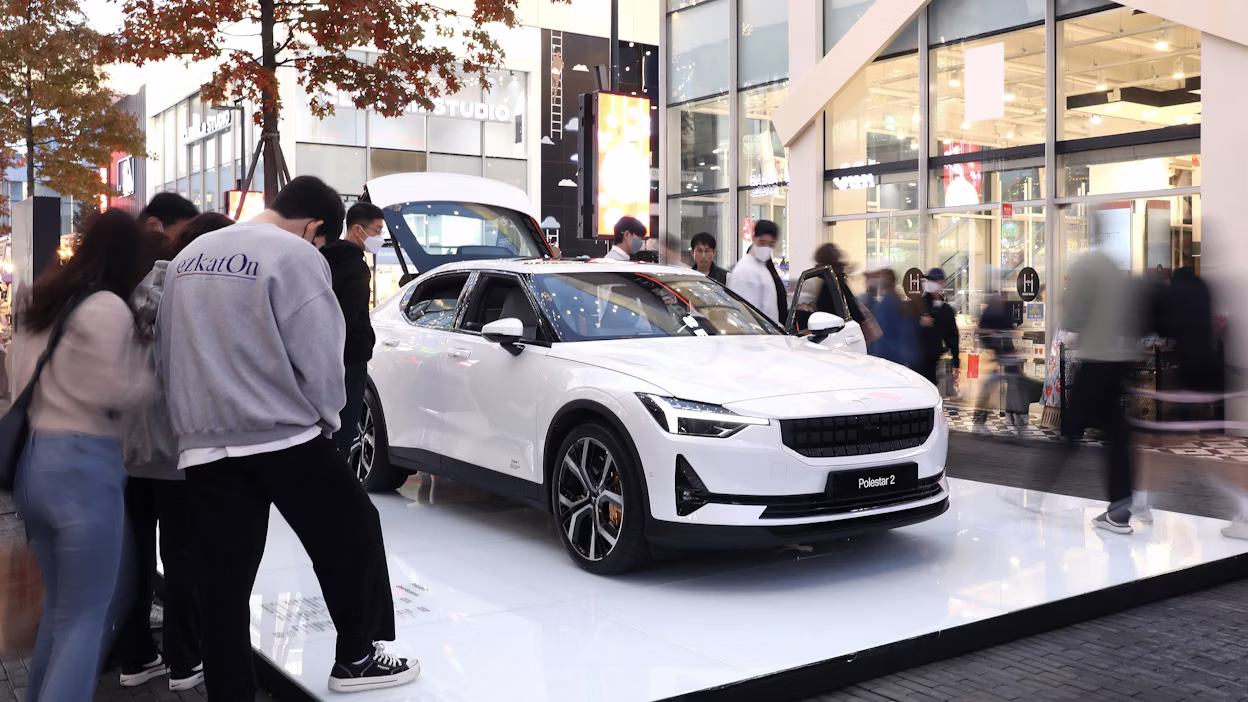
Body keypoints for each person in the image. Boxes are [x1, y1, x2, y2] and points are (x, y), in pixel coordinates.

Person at [157, 176, 417, 698]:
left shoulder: (190, 257)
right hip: (282, 435)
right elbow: (322, 353)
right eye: (320, 240)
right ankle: (357, 658)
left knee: (223, 584)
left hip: (205, 441)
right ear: (315, 227)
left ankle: (229, 692)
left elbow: (166, 351)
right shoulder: (294, 256)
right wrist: (327, 419)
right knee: (353, 532)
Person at [12, 209, 157, 701]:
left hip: (36, 461)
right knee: (91, 614)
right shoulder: (106, 308)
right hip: (85, 466)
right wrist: (150, 378)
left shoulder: (46, 301)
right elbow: (117, 390)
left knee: (62, 610)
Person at [114, 212, 233, 691]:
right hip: (182, 449)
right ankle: (185, 661)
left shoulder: (136, 292)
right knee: (185, 559)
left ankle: (136, 657)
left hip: (131, 446)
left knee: (137, 560)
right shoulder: (196, 296)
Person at [1060, 250, 1145, 534]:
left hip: (1096, 357)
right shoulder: (1114, 269)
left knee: (1073, 427)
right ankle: (1121, 507)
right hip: (1119, 357)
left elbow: (1074, 312)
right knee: (1116, 430)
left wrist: (1071, 328)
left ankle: (1037, 490)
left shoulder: (1087, 264)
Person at [322, 203, 384, 460]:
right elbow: (347, 316)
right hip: (349, 358)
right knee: (345, 426)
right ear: (358, 229)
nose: (380, 237)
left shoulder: (324, 257)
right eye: (377, 230)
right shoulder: (356, 267)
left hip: (323, 357)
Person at [728, 220, 788, 325]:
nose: (766, 247)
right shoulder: (745, 271)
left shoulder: (762, 267)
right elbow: (747, 316)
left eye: (771, 244)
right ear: (754, 239)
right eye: (762, 242)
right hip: (754, 337)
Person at [916, 268, 960, 388]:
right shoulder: (919, 304)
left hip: (933, 361)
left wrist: (956, 363)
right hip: (916, 360)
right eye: (929, 280)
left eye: (934, 280)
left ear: (942, 283)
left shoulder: (946, 311)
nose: (930, 283)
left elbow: (952, 337)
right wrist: (919, 321)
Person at [865, 269, 917, 367]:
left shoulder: (887, 303)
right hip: (900, 356)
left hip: (888, 357)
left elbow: (880, 333)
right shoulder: (898, 302)